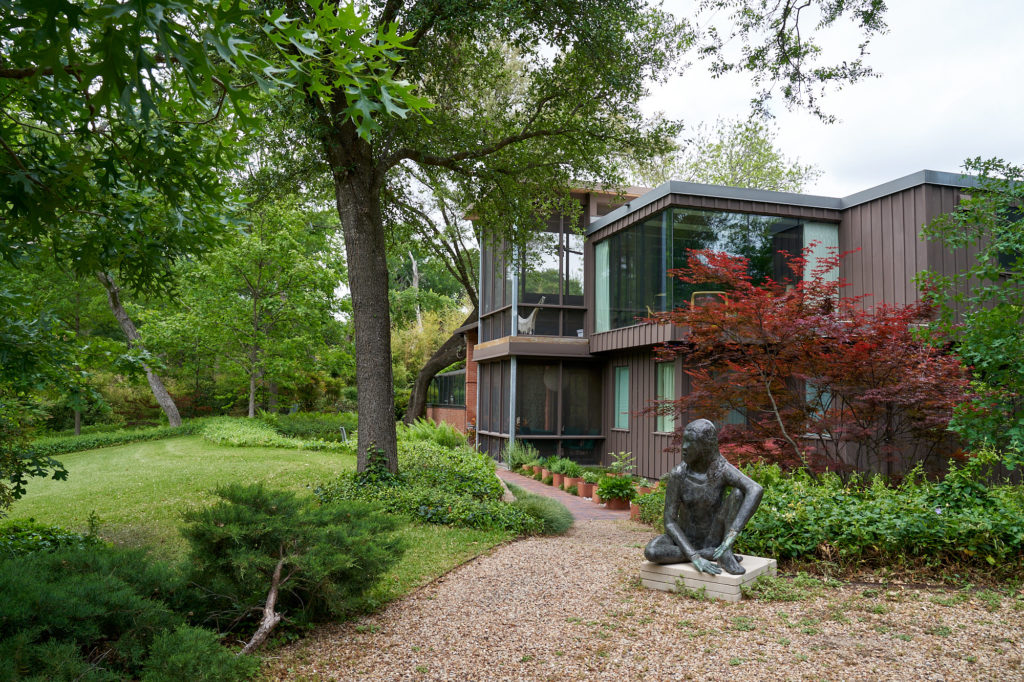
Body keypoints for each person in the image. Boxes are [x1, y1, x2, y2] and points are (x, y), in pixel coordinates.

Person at [644, 419, 764, 575]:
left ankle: (724, 551)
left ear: (704, 446)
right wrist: (695, 557)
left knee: (738, 493)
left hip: (713, 536)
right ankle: (710, 553)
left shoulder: (721, 469)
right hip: (684, 540)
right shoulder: (678, 474)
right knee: (652, 552)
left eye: (691, 443)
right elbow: (670, 522)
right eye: (684, 442)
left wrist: (730, 538)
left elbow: (755, 489)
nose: (684, 448)